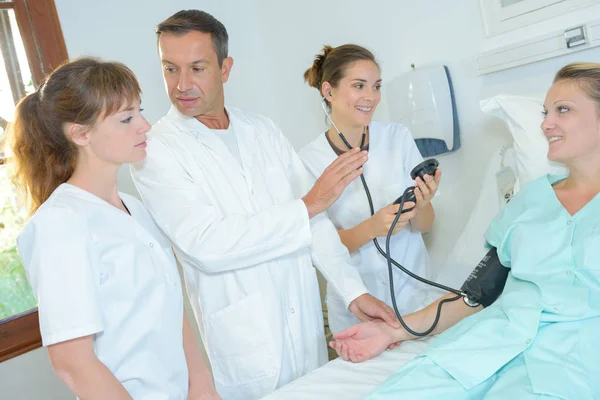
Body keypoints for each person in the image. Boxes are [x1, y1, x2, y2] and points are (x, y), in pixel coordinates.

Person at [130, 10, 399, 400]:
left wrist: (353, 292)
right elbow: (209, 244)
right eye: (170, 69)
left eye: (197, 68)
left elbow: (316, 222)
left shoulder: (262, 130)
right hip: (246, 344)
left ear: (225, 68)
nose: (181, 84)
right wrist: (307, 205)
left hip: (304, 326)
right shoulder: (156, 151)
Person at [329, 62, 600, 399]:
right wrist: (392, 332)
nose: (546, 124)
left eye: (564, 110)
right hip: (481, 349)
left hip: (570, 366)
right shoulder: (531, 199)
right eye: (546, 112)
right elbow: (476, 294)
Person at [7, 58, 218, 399]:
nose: (145, 126)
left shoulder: (134, 208)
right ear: (80, 133)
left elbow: (169, 310)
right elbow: (72, 362)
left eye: (140, 111)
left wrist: (202, 386)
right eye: (126, 118)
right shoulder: (60, 224)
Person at [299, 44, 441, 335]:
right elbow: (318, 246)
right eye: (359, 86)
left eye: (376, 86)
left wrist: (424, 204)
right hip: (359, 308)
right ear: (328, 91)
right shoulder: (307, 161)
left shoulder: (396, 137)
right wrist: (372, 228)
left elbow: (425, 226)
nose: (371, 97)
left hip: (416, 296)